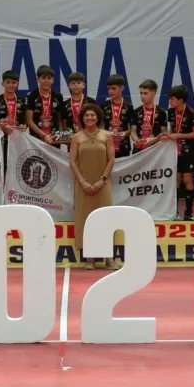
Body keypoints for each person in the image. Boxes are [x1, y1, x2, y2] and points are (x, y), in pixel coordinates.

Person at [69, 103, 118, 270]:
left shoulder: (107, 136)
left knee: (106, 218)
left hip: (102, 183)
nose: (90, 118)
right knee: (86, 219)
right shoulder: (76, 138)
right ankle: (90, 257)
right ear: (82, 119)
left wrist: (102, 180)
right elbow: (72, 162)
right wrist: (83, 182)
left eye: (93, 115)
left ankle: (109, 257)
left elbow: (111, 160)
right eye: (86, 115)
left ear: (98, 118)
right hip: (83, 185)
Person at [165, 85, 194, 220]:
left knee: (187, 179)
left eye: (172, 99)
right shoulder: (170, 112)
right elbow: (172, 129)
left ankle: (188, 212)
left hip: (188, 150)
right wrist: (168, 135)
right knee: (176, 180)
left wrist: (178, 135)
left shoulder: (191, 113)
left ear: (180, 100)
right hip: (174, 150)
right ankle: (175, 212)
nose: (170, 101)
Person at [0, 70, 25, 176]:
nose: (11, 85)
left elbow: (26, 121)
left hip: (18, 138)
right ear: (3, 84)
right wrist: (1, 126)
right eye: (8, 82)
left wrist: (24, 126)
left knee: (18, 164)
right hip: (1, 139)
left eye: (13, 82)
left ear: (17, 84)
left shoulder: (22, 100)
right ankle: (3, 186)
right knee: (3, 165)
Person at [25, 65, 65, 147]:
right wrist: (43, 135)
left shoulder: (58, 96)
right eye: (43, 78)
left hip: (54, 139)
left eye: (49, 78)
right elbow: (29, 121)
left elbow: (60, 119)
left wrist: (59, 134)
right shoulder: (31, 96)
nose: (46, 81)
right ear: (37, 79)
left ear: (53, 80)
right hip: (36, 139)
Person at [101, 74, 135, 159]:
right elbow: (99, 127)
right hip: (106, 144)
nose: (110, 91)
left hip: (123, 146)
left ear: (122, 88)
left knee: (124, 167)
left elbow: (132, 128)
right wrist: (107, 133)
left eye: (113, 88)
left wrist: (124, 134)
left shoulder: (128, 106)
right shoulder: (104, 106)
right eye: (109, 88)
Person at [131, 79, 167, 154]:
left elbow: (164, 133)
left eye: (145, 93)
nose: (142, 96)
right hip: (139, 150)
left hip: (155, 151)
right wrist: (138, 141)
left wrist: (153, 140)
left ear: (153, 93)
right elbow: (133, 132)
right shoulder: (136, 111)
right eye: (141, 93)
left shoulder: (161, 112)